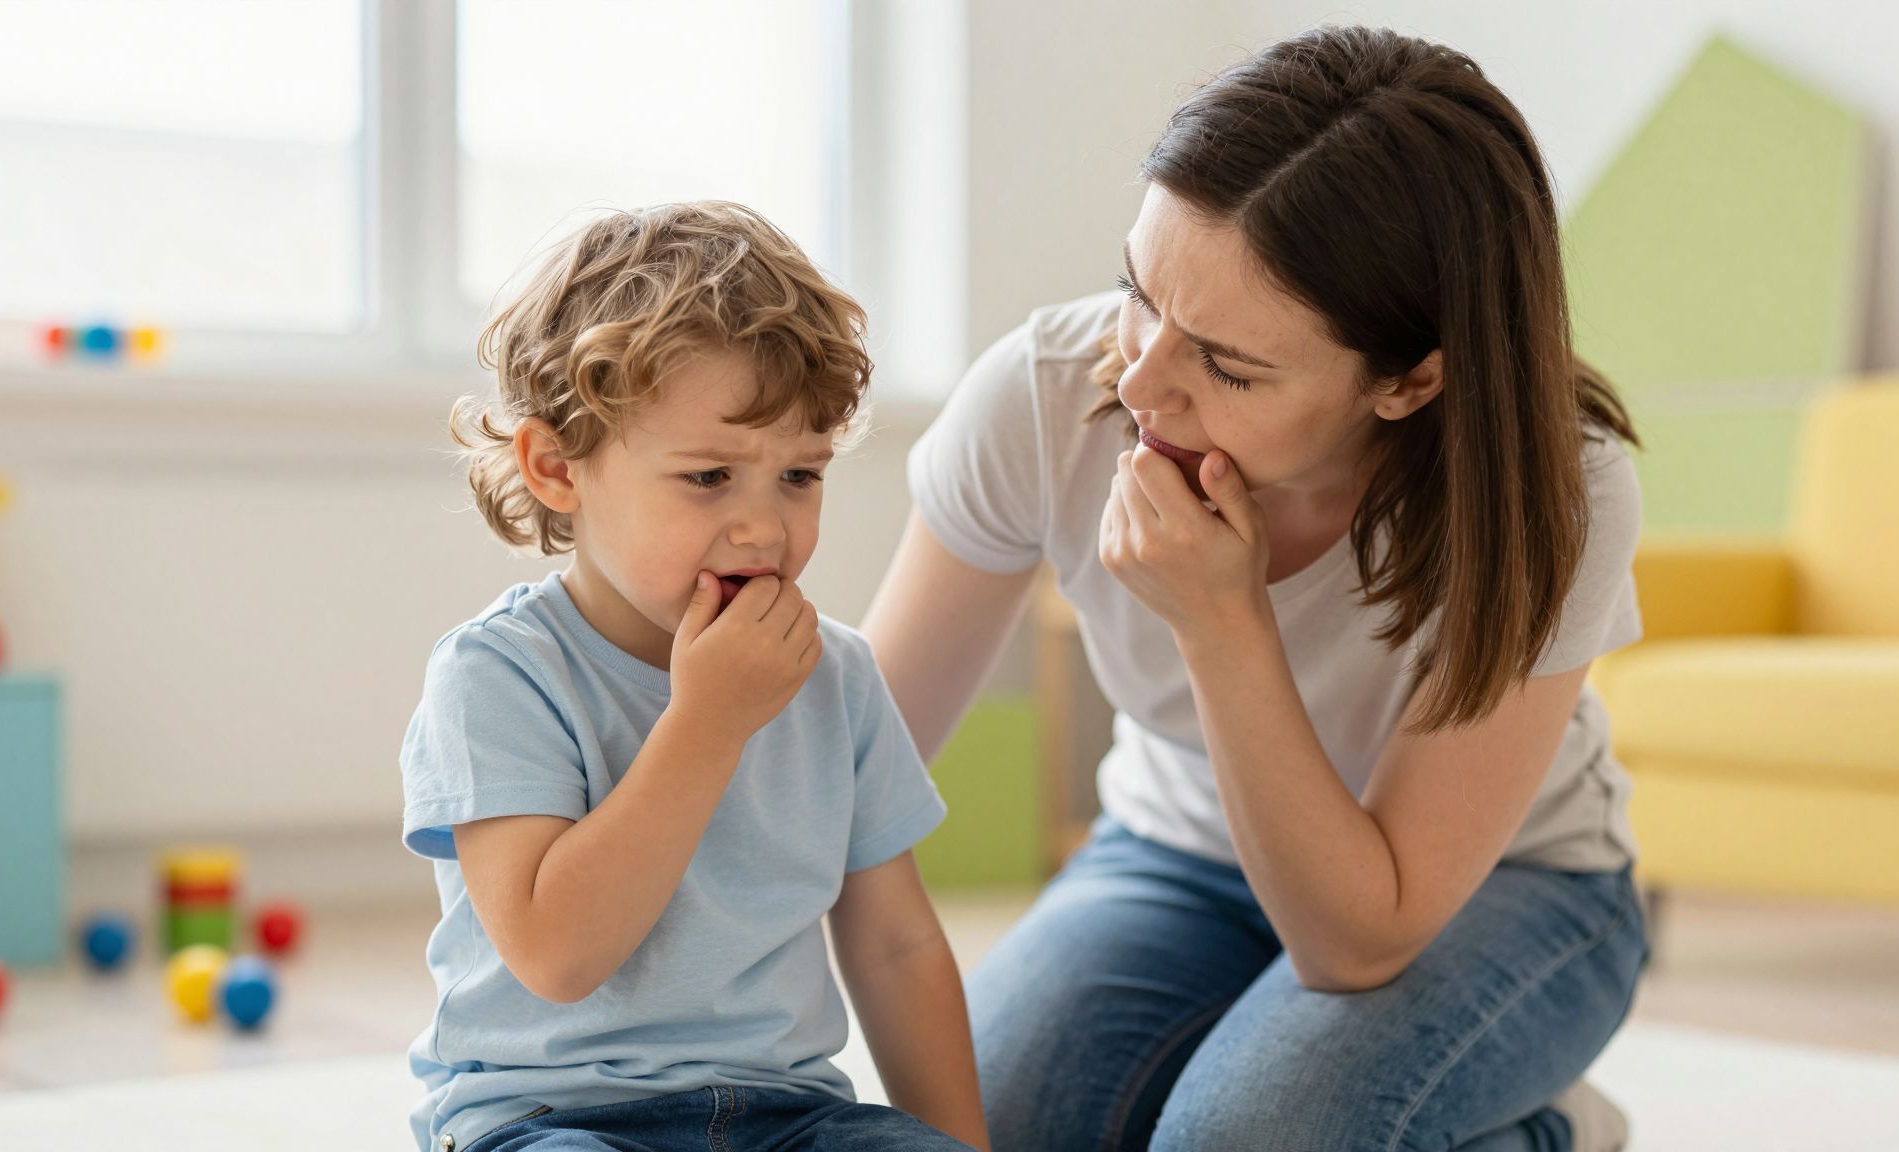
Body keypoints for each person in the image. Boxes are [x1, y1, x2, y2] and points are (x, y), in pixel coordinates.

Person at [865, 26, 1648, 1152]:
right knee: (972, 1121)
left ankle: (1545, 1133)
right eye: (1137, 292)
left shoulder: (1550, 490)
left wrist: (1221, 621)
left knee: (1237, 1140)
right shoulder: (1045, 396)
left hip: (1499, 891)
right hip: (1176, 852)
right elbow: (857, 766)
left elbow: (1357, 942)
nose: (1139, 382)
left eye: (1227, 365)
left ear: (1409, 379)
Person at [400, 202, 989, 1152]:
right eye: (710, 477)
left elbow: (896, 946)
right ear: (556, 467)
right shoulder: (497, 676)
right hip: (554, 1118)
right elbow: (558, 954)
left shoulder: (836, 674)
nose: (765, 527)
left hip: (792, 1119)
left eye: (800, 475)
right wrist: (709, 722)